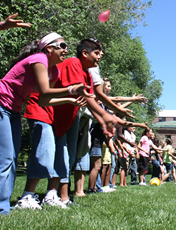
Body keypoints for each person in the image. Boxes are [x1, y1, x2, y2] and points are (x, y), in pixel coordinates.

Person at [0, 32, 90, 214]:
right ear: (49, 48)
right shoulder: (39, 59)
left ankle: (4, 204)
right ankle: (2, 207)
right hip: (0, 104)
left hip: (14, 110)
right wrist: (71, 89)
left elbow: (44, 100)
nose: (66, 50)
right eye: (62, 46)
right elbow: (45, 90)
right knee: (5, 158)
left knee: (12, 158)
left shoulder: (54, 70)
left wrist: (70, 100)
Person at [54, 39, 119, 205]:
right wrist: (105, 116)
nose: (100, 56)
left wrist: (103, 121)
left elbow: (91, 98)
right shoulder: (73, 63)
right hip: (55, 114)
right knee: (61, 155)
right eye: (96, 53)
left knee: (69, 155)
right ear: (85, 53)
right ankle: (53, 194)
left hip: (72, 115)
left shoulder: (87, 74)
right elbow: (85, 96)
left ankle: (63, 196)